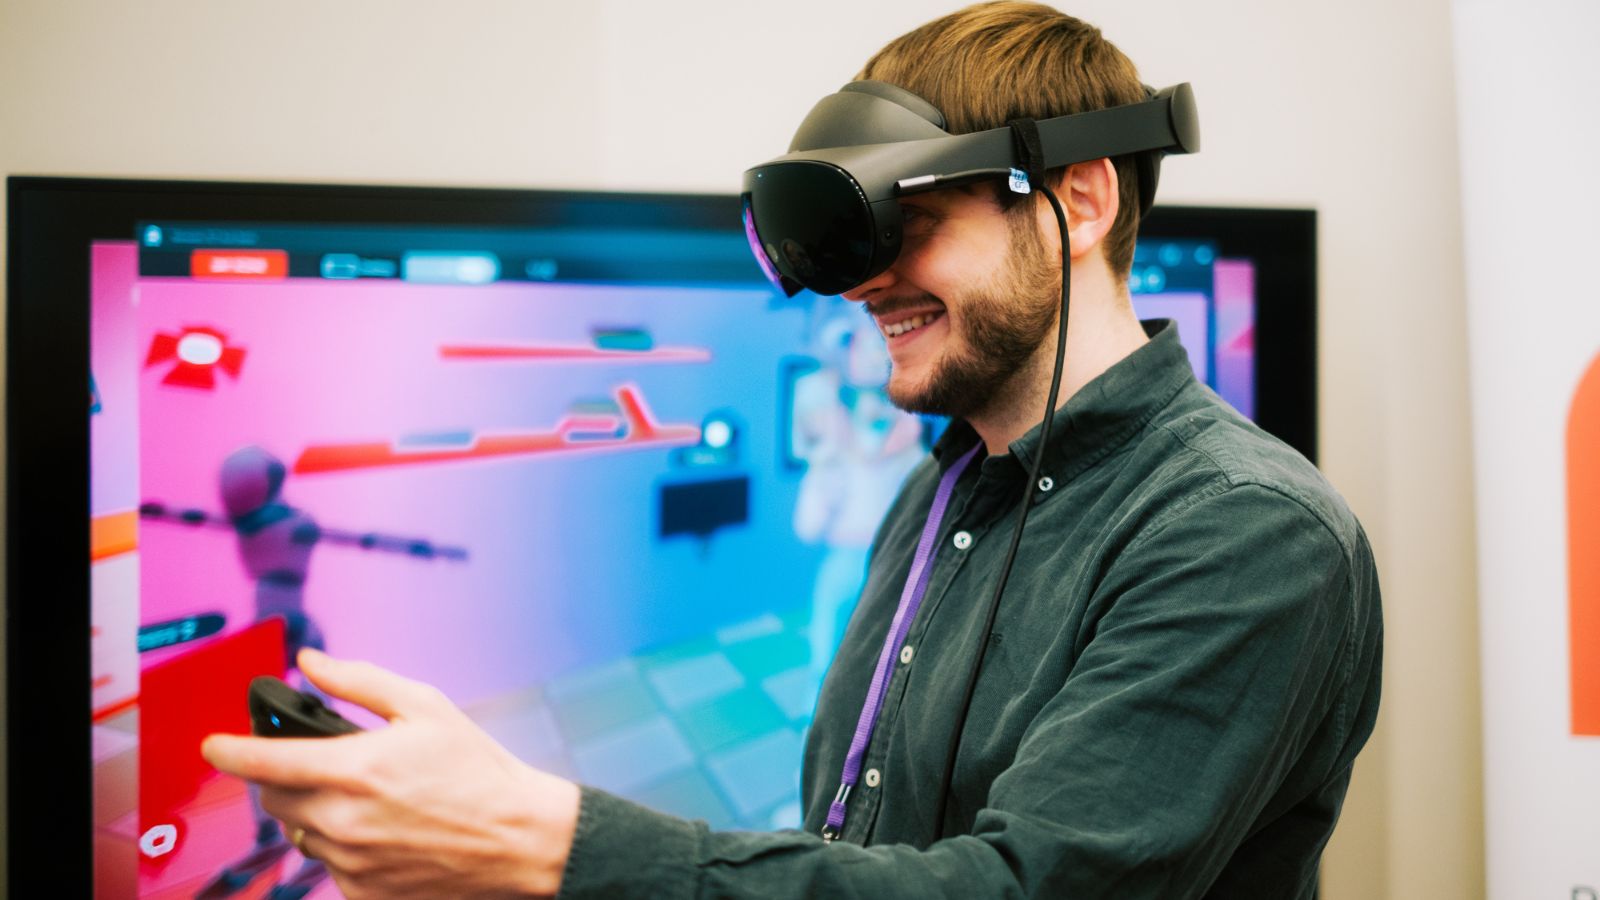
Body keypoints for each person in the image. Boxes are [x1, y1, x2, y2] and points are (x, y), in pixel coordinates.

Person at [203, 3, 1382, 897]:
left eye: (907, 223)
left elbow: (1020, 888)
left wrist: (542, 841)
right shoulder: (945, 495)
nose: (862, 284)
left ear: (1076, 200)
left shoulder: (1240, 532)